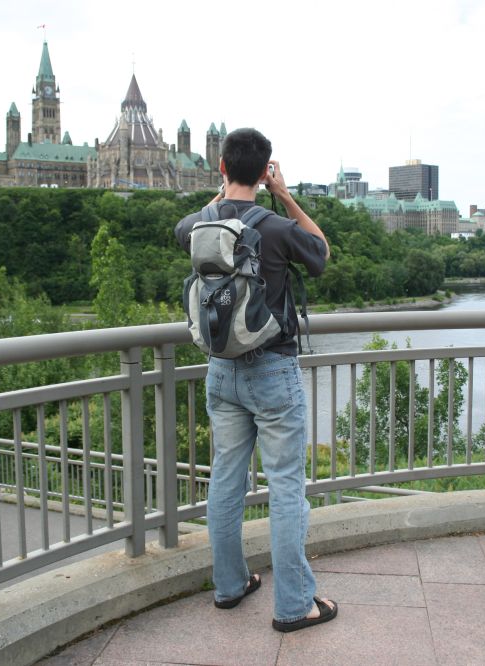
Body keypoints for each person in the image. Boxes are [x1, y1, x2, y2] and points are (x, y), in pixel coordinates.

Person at [174, 128, 337, 632]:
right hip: (273, 369)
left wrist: (220, 197)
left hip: (222, 370)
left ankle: (229, 586)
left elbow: (181, 229)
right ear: (266, 170)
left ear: (221, 168)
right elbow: (321, 251)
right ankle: (294, 606)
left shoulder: (200, 224)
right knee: (285, 487)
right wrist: (283, 194)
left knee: (226, 480)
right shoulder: (276, 228)